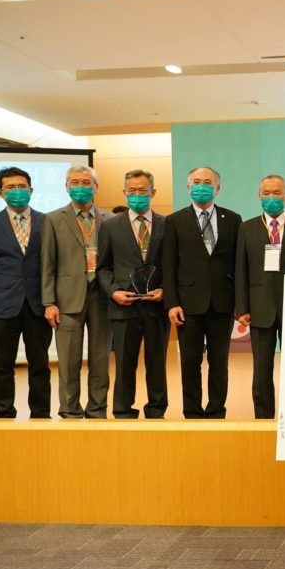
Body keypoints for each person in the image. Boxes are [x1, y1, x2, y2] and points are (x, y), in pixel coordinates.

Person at [0, 167, 52, 419]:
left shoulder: (48, 222)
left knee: (40, 364)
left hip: (38, 305)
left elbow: (54, 265)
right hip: (2, 306)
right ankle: (4, 413)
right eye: (11, 187)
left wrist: (53, 302)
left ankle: (41, 413)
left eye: (22, 186)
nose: (18, 191)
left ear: (31, 190)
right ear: (0, 193)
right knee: (3, 365)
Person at [163, 166, 241, 419]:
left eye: (207, 182)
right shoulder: (174, 221)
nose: (201, 186)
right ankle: (192, 412)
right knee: (190, 362)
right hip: (188, 304)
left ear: (217, 188)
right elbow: (168, 264)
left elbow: (238, 264)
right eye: (196, 182)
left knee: (219, 362)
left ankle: (217, 410)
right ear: (188, 187)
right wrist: (172, 303)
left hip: (222, 303)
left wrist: (240, 303)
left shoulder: (233, 219)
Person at [41, 165, 113, 418]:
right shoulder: (52, 219)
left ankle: (97, 409)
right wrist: (49, 301)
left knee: (101, 360)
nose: (80, 187)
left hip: (102, 297)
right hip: (66, 299)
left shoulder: (110, 219)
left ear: (96, 187)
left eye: (86, 182)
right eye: (74, 182)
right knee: (69, 361)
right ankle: (70, 410)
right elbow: (47, 263)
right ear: (66, 187)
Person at [97, 169, 168, 419]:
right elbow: (103, 267)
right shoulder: (110, 226)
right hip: (123, 307)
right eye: (132, 190)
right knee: (125, 364)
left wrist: (165, 290)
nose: (137, 194)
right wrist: (113, 292)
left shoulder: (166, 224)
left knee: (157, 363)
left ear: (153, 192)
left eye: (142, 190)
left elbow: (173, 265)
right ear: (124, 192)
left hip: (156, 306)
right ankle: (123, 410)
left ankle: (156, 410)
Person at [236, 175, 285, 419]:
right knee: (261, 370)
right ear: (259, 196)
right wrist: (242, 307)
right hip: (259, 308)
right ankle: (263, 417)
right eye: (266, 193)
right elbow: (240, 269)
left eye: (277, 193)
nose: (271, 198)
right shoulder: (246, 228)